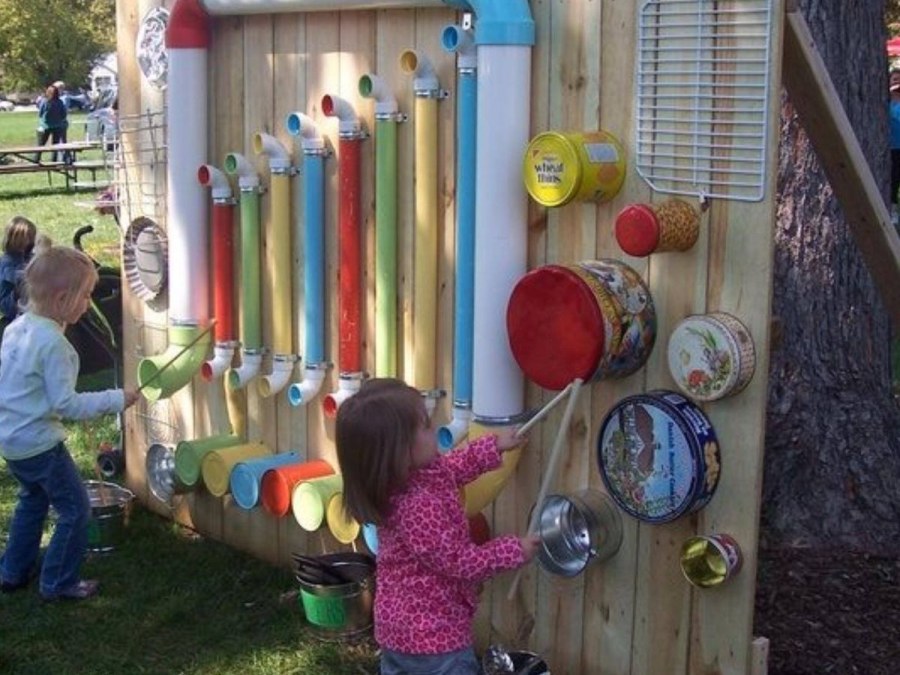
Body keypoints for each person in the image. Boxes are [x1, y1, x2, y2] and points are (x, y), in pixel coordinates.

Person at [335, 378, 541, 675]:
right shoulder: (417, 507)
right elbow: (460, 562)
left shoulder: (412, 476)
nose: (435, 427)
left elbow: (452, 468)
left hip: (401, 632)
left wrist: (494, 446)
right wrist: (515, 550)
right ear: (400, 450)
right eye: (425, 425)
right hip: (433, 639)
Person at [0, 245, 140, 601]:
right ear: (63, 299)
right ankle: (59, 582)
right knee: (76, 510)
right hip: (40, 445)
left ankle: (13, 571)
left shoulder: (17, 328)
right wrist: (116, 399)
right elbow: (67, 405)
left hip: (12, 441)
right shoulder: (54, 345)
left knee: (32, 500)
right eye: (86, 295)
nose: (88, 304)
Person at [0, 216, 38, 341]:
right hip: (15, 314)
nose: (30, 243)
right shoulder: (7, 264)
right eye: (26, 240)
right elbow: (5, 305)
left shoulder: (29, 257)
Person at [35, 84, 69, 163]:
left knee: (40, 145)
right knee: (55, 145)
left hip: (45, 126)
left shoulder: (45, 102)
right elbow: (64, 115)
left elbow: (40, 113)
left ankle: (36, 160)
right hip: (57, 126)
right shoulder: (60, 102)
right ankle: (54, 161)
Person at [889, 68, 900, 226]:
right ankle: (893, 210)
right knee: (893, 179)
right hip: (891, 148)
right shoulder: (885, 104)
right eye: (895, 79)